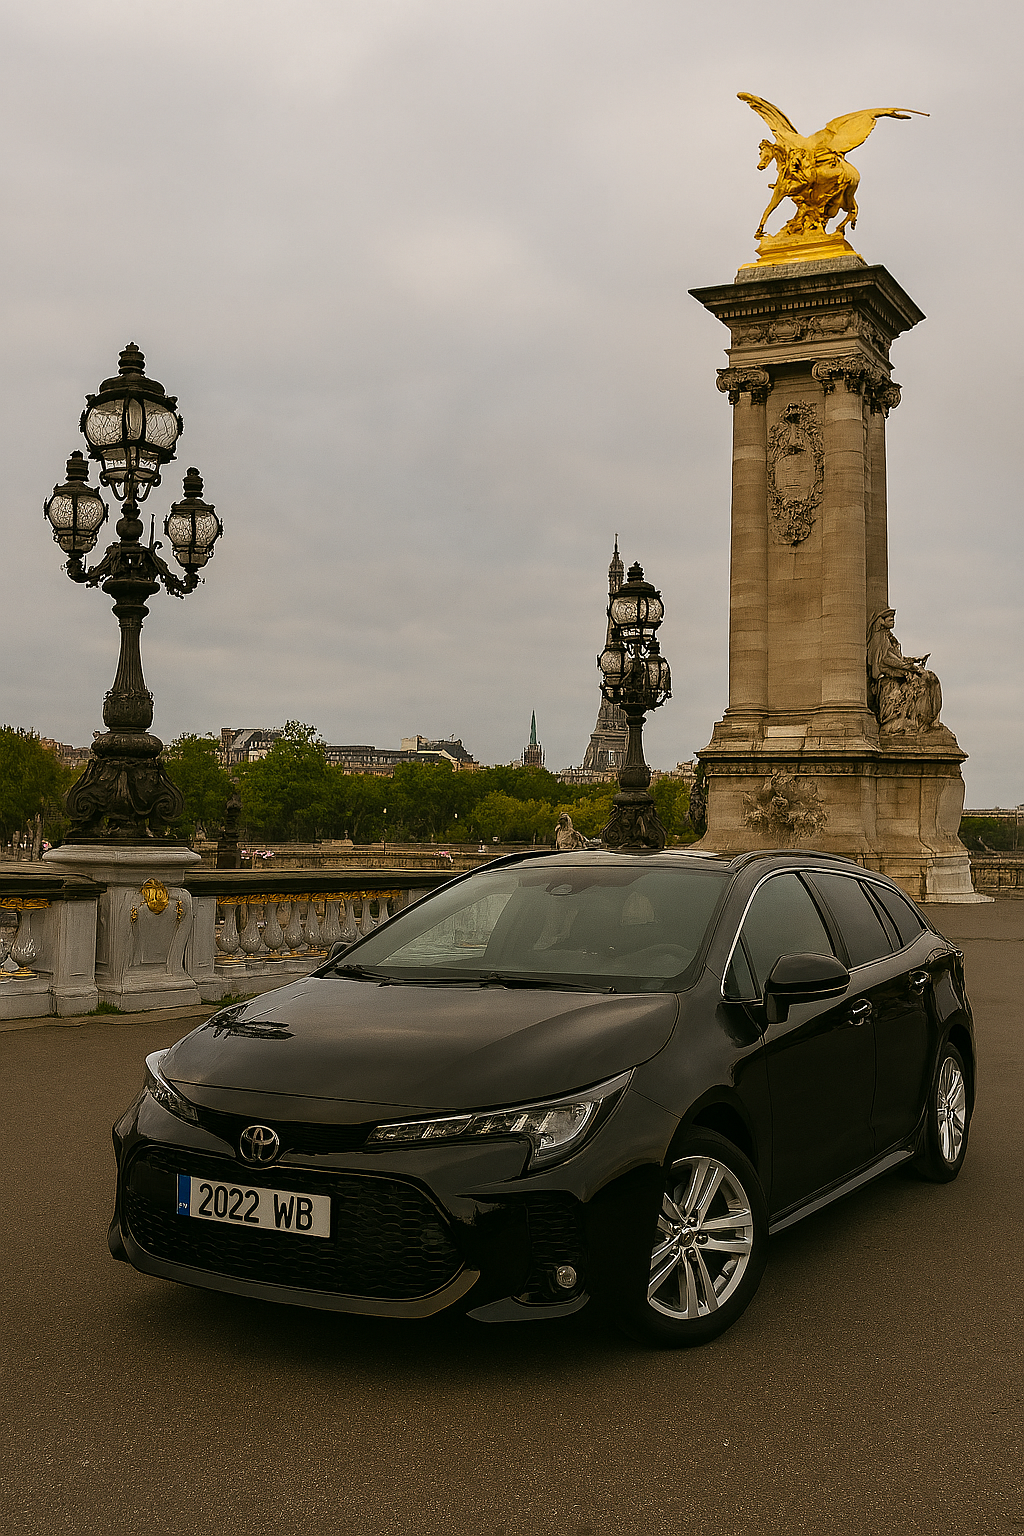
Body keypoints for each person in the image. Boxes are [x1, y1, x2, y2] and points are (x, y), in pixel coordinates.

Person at [866, 609, 942, 733]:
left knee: (931, 678)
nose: (893, 621)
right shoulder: (879, 637)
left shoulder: (888, 637)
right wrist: (908, 668)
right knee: (924, 680)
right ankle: (918, 720)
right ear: (881, 621)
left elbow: (897, 658)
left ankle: (927, 720)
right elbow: (885, 660)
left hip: (897, 672)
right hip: (887, 675)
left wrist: (914, 660)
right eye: (890, 619)